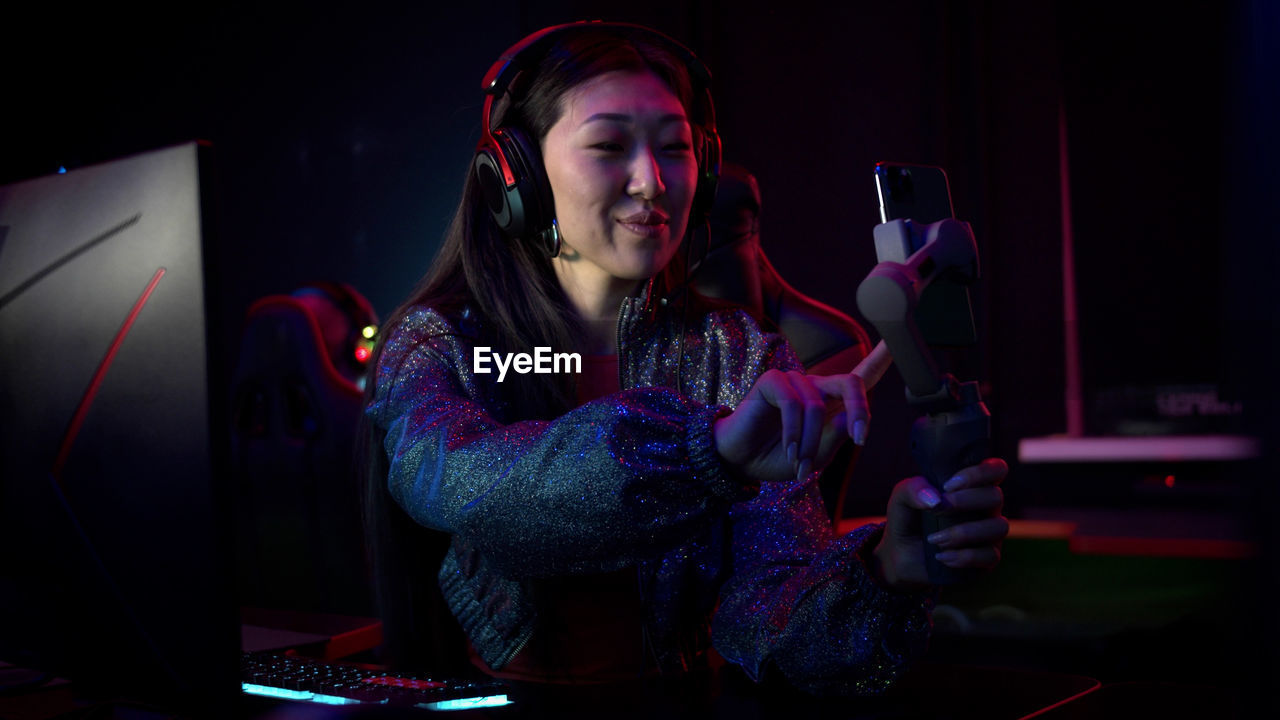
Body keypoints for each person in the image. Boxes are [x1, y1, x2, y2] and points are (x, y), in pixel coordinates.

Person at [361, 21, 1008, 696]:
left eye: (675, 148)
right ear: (513, 173)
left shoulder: (743, 351)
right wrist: (711, 452)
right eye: (609, 145)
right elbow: (472, 494)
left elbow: (770, 620)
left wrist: (887, 569)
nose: (651, 181)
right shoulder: (444, 343)